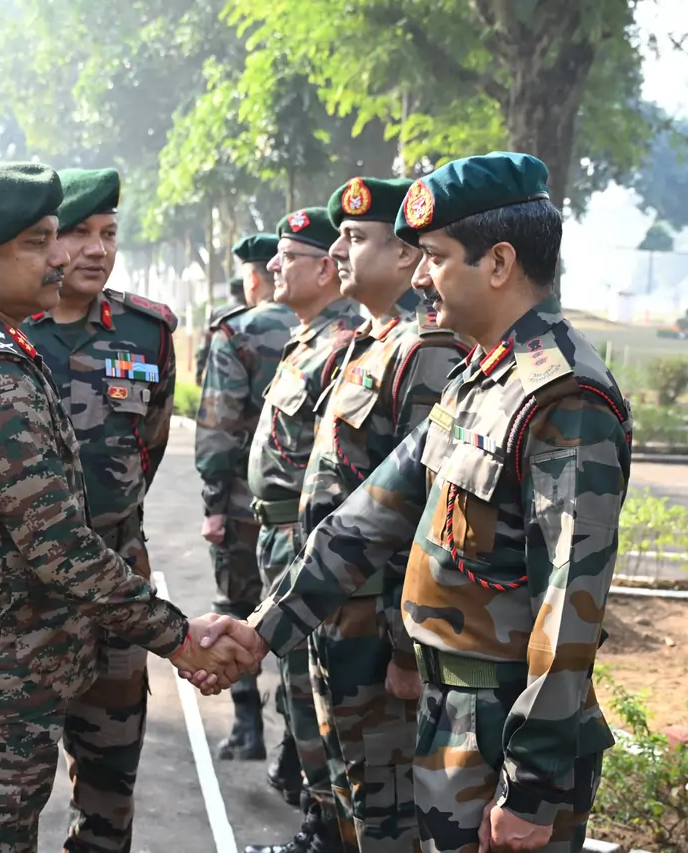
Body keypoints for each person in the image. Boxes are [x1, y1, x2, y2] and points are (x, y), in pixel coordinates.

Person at [195, 152, 633, 853]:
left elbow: (571, 606)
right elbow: (371, 517)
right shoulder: (481, 378)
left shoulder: (564, 395)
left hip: (502, 734)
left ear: (497, 263)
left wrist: (533, 784)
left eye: (433, 256)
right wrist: (261, 630)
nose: (420, 275)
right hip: (447, 714)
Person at [0, 161, 258, 853]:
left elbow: (134, 462)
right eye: (39, 242)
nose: (61, 258)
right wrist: (178, 635)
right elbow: (60, 545)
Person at [292, 177, 468, 853]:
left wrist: (404, 647)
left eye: (356, 238)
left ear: (404, 257)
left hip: (375, 629)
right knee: (349, 800)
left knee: (387, 810)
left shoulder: (424, 351)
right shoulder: (369, 342)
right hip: (335, 614)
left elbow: (420, 515)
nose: (337, 249)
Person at [22, 166, 178, 853]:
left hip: (116, 584)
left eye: (108, 233)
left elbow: (150, 447)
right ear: (45, 240)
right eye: (78, 232)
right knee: (8, 780)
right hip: (21, 595)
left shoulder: (146, 331)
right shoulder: (8, 332)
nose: (95, 248)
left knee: (110, 777)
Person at [243, 207, 363, 847]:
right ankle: (319, 821)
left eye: (287, 258)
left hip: (307, 542)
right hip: (278, 539)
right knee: (297, 689)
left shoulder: (345, 345)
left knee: (317, 695)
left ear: (323, 268)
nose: (271, 268)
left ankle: (328, 826)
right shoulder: (308, 337)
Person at [195, 231, 294, 762]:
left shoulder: (238, 332)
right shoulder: (343, 328)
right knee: (302, 618)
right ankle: (297, 749)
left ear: (252, 278)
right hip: (316, 515)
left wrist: (213, 503)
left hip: (242, 504)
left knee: (235, 608)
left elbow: (217, 427)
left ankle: (247, 730)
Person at [196, 276, 246, 385]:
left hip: (219, 369)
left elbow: (205, 343)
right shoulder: (253, 311)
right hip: (246, 371)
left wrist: (199, 371)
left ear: (230, 291)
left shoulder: (217, 313)